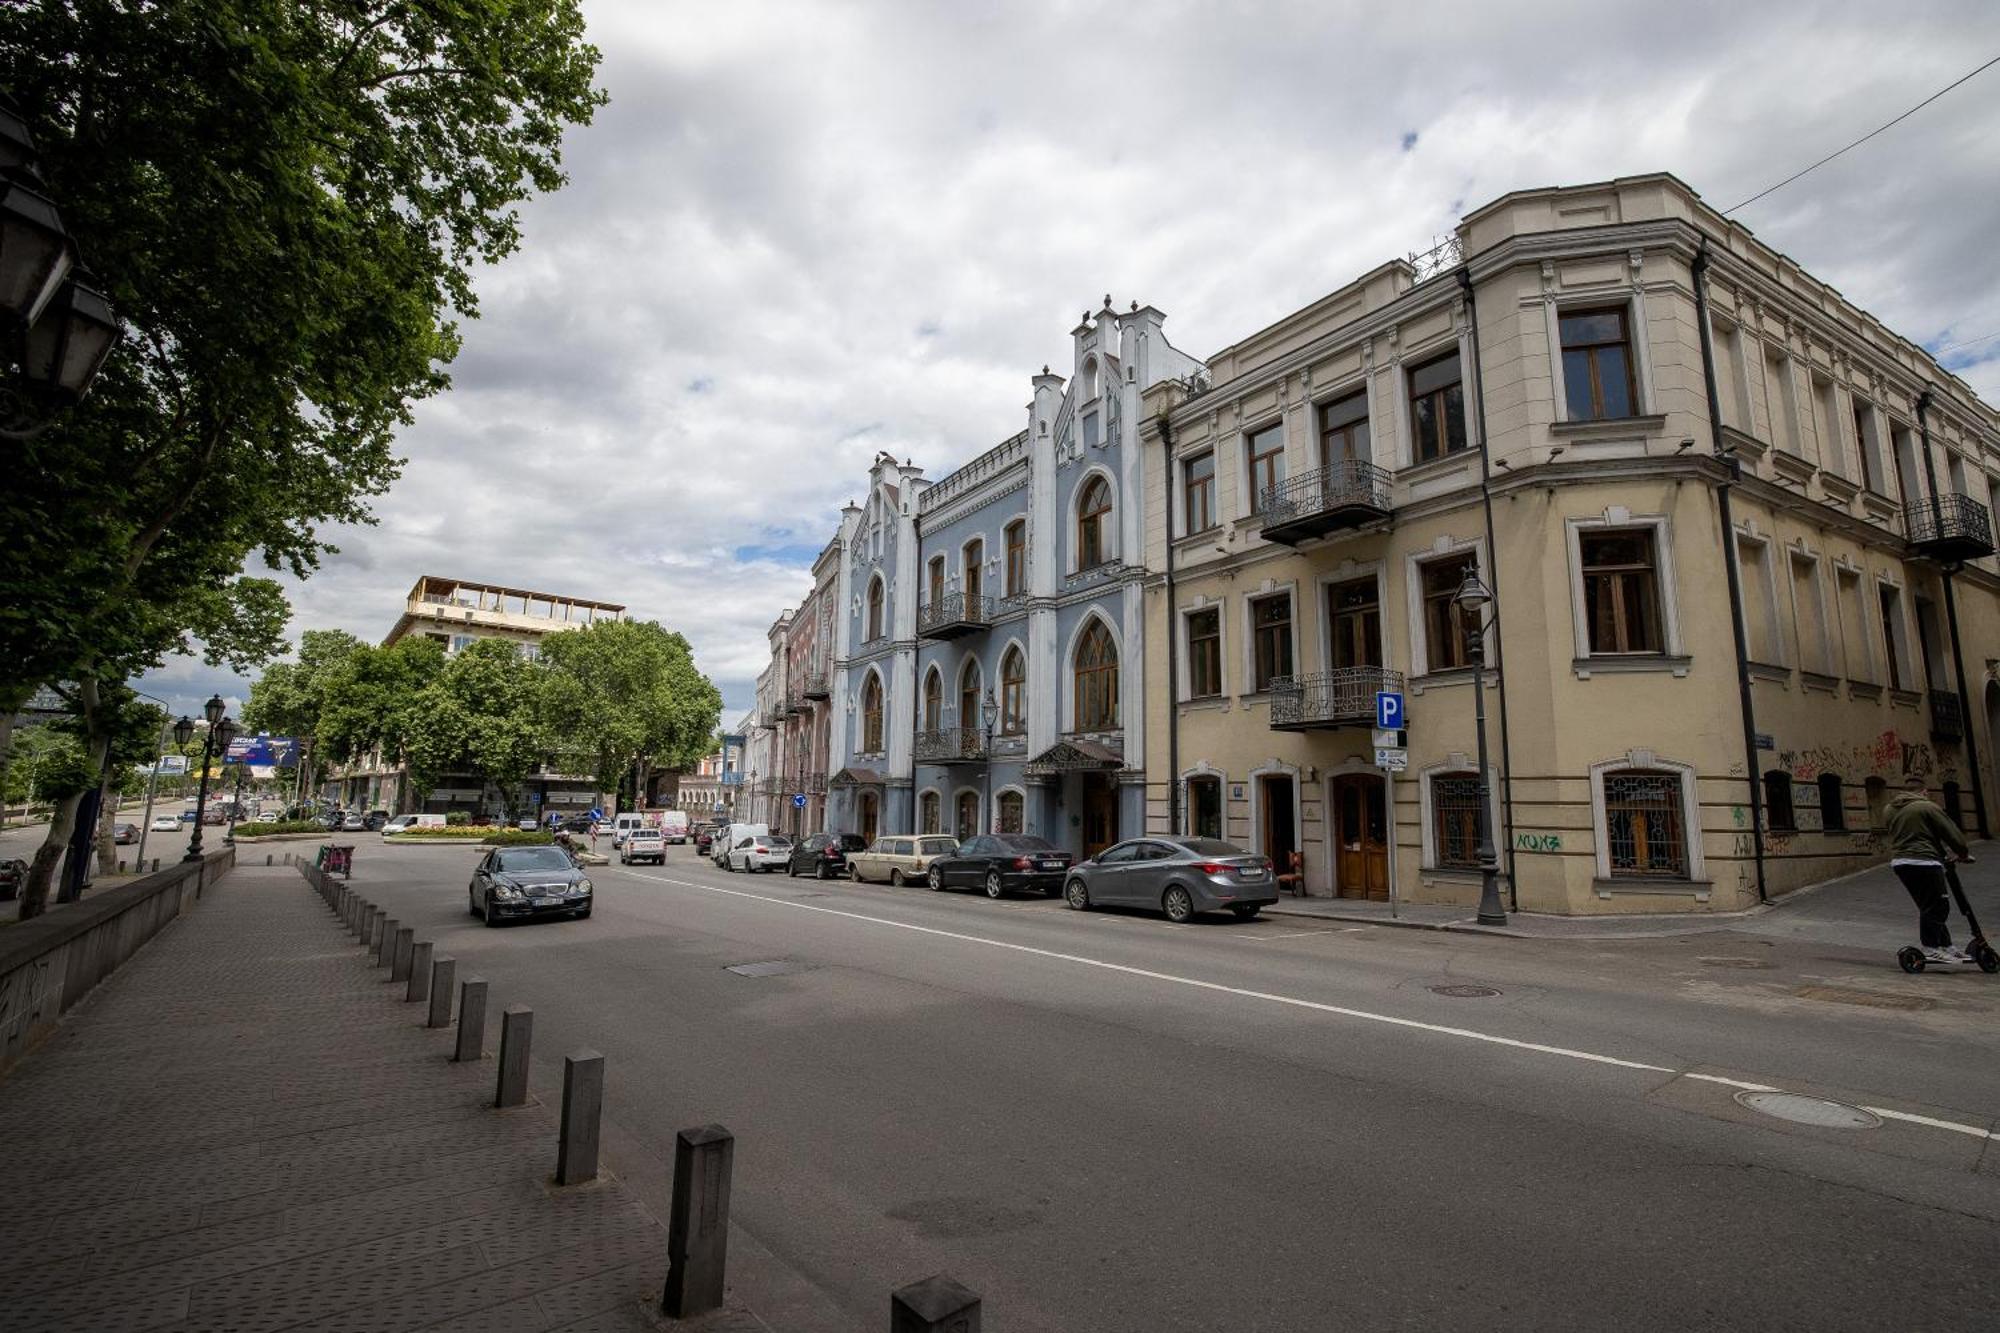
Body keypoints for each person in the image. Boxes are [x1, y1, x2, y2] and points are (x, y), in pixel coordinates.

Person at [1885, 775, 1974, 965]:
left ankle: (1946, 946)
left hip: (1901, 862)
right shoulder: (1927, 807)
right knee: (1939, 905)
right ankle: (1931, 947)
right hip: (1924, 861)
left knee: (1928, 905)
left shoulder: (1890, 809)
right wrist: (1963, 853)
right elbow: (1951, 833)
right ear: (1923, 792)